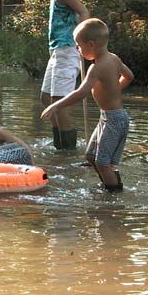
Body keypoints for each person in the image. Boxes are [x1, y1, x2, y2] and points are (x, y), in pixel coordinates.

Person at [41, 19, 134, 192]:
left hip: (114, 119)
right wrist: (113, 90)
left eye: (78, 46)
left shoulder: (96, 67)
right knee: (91, 156)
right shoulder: (114, 58)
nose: (78, 50)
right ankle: (106, 184)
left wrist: (56, 106)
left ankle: (114, 194)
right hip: (109, 117)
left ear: (91, 44)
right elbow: (129, 76)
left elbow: (81, 92)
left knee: (102, 162)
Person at [24, 0, 89, 150]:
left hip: (68, 50)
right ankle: (58, 143)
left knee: (58, 102)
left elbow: (83, 11)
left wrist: (81, 41)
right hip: (57, 52)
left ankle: (67, 150)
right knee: (46, 98)